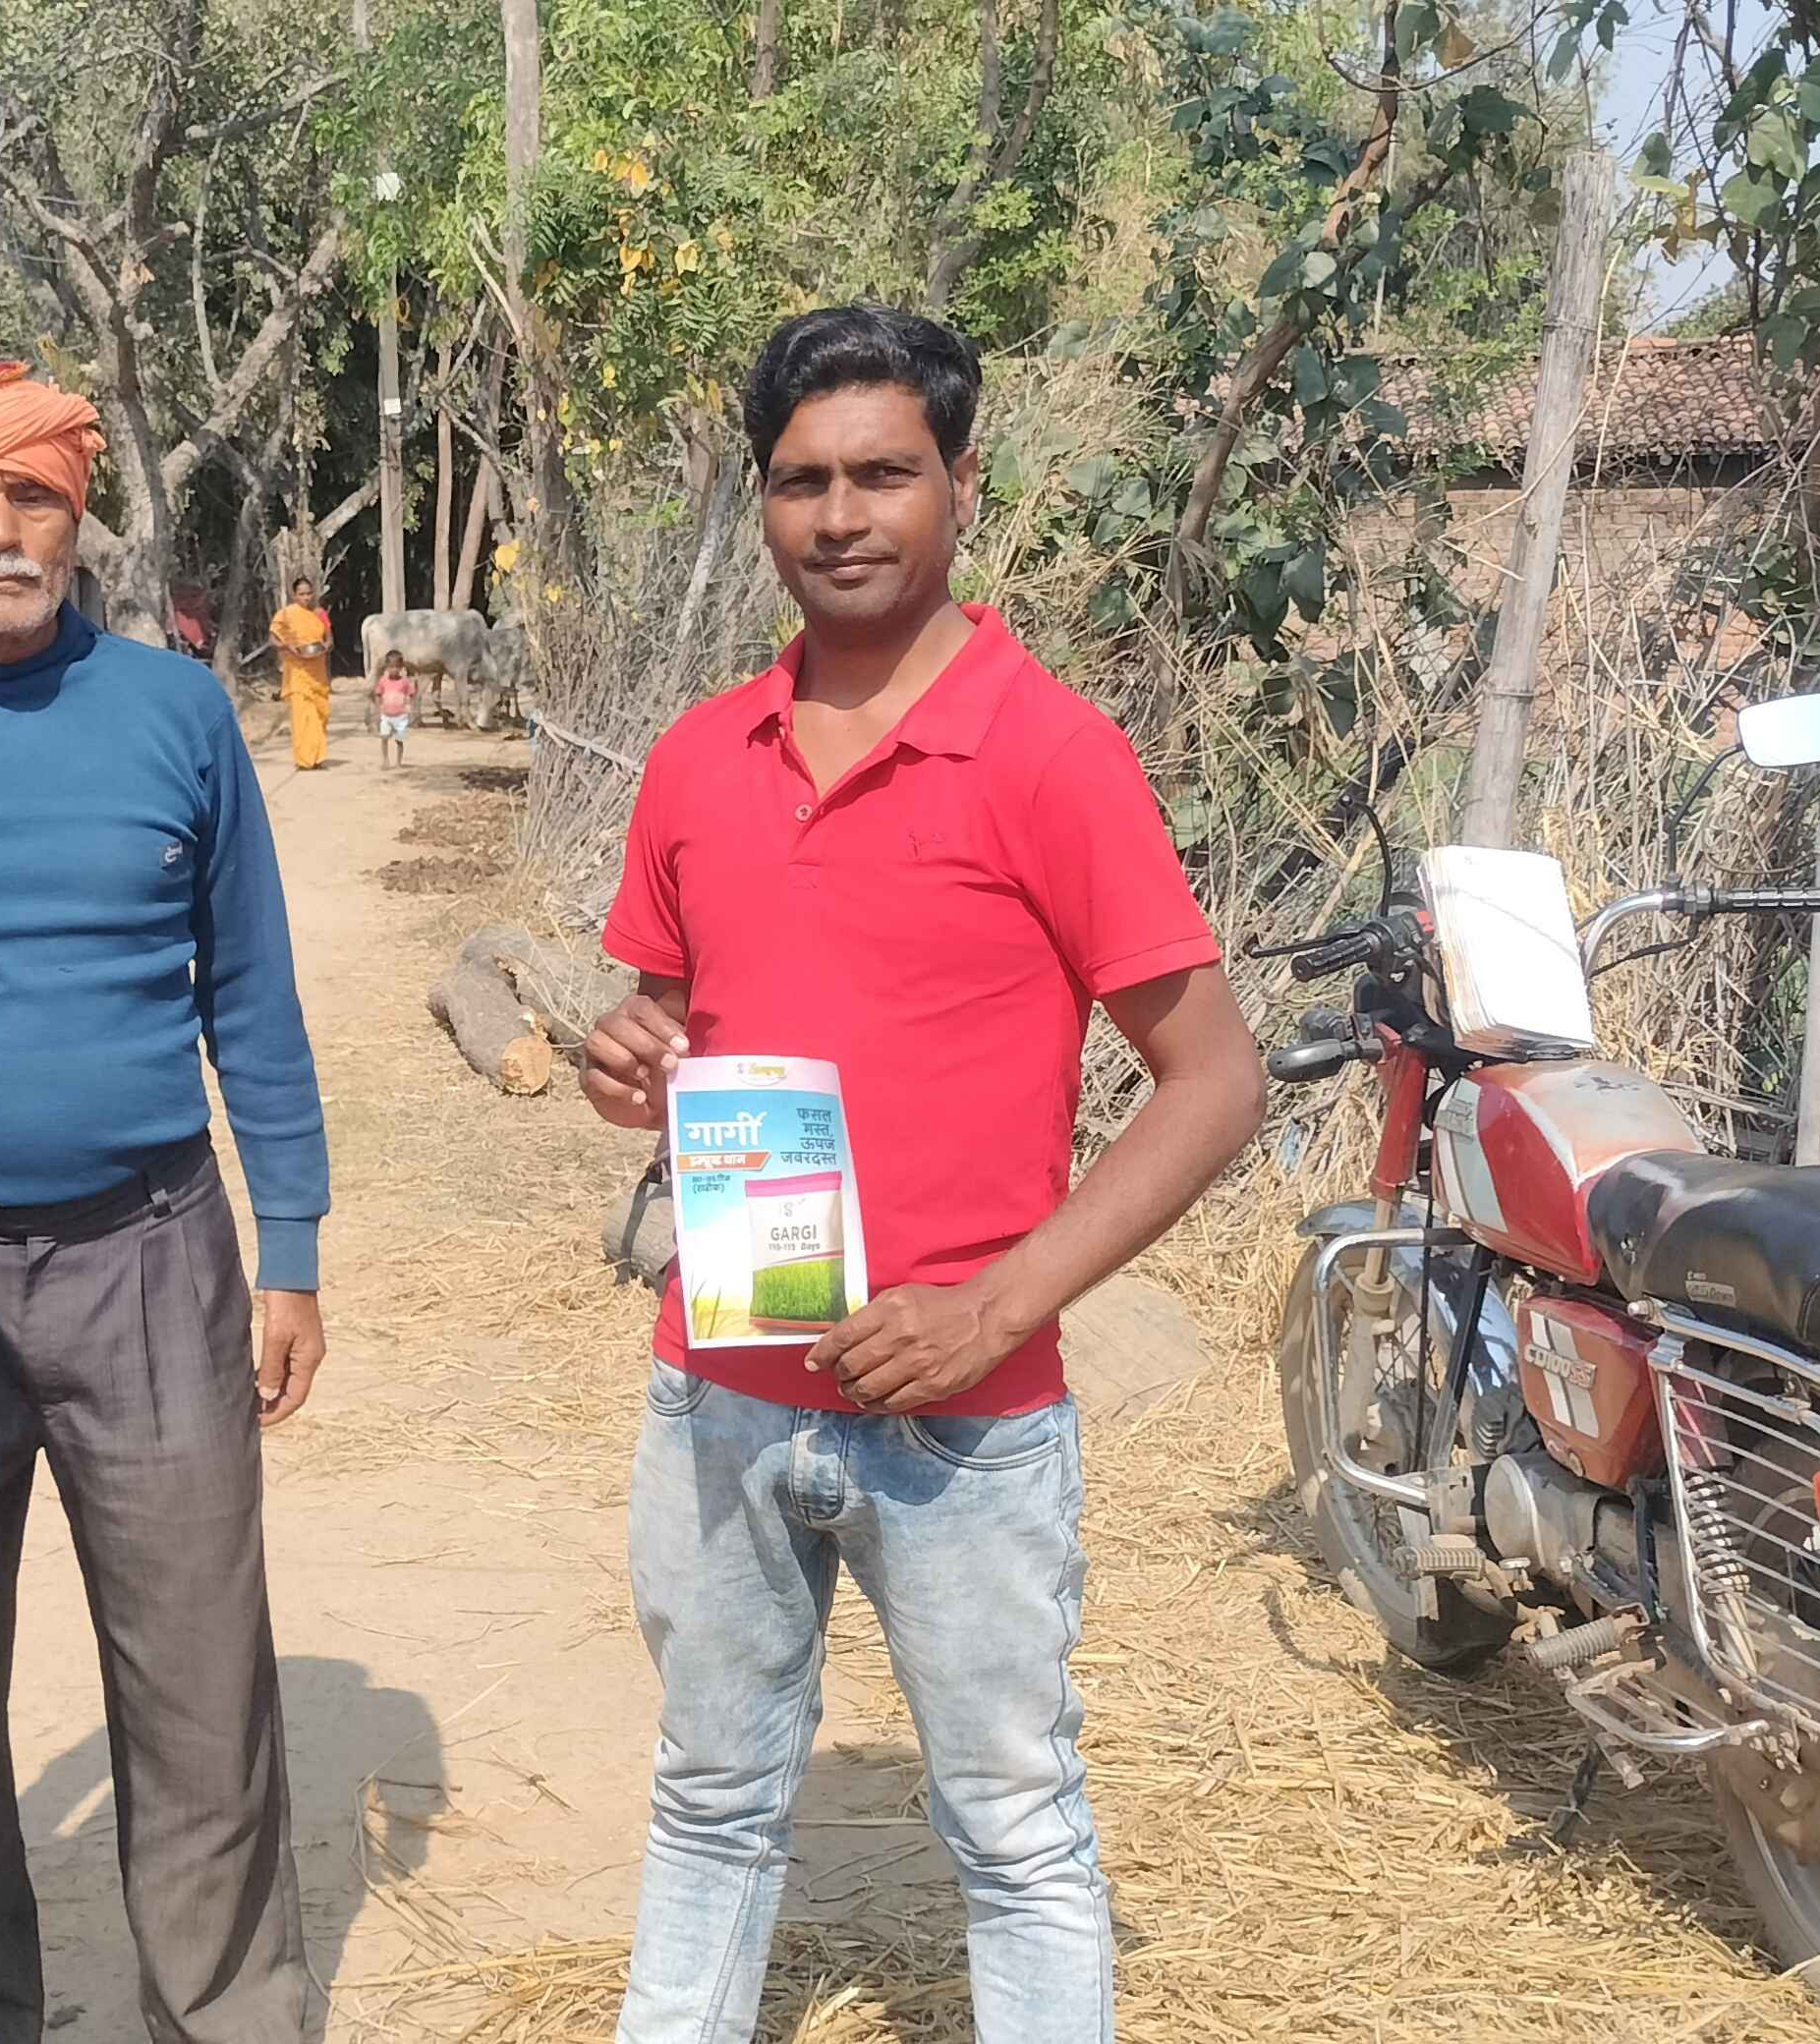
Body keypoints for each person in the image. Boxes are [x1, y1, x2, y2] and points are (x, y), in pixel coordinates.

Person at [573, 306, 1265, 2040]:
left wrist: (994, 1310)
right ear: (760, 499)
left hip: (967, 1414)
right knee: (711, 1798)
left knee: (1013, 1829)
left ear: (961, 484)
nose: (840, 515)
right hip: (719, 1383)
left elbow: (1213, 1083)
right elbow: (674, 1027)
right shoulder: (698, 758)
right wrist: (627, 1061)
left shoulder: (1051, 756)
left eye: (882, 473)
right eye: (800, 480)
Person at [0, 361, 332, 2044]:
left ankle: (226, 2013)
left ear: (73, 519)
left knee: (201, 1684)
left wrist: (291, 1244)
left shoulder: (174, 714)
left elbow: (248, 990)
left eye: (30, 495)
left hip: (151, 1259)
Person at [271, 575, 336, 770]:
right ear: (294, 595)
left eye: (308, 593)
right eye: (301, 594)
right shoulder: (286, 614)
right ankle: (304, 760)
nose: (306, 598)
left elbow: (329, 639)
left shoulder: (320, 614)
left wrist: (325, 646)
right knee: (302, 716)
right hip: (297, 673)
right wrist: (287, 647)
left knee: (320, 713)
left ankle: (318, 758)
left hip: (318, 672)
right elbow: (273, 638)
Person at [372, 654, 418, 770]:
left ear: (402, 667)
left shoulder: (405, 682)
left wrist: (411, 709)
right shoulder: (383, 681)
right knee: (384, 738)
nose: (394, 669)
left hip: (401, 716)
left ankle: (398, 762)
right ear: (386, 667)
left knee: (399, 740)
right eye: (391, 667)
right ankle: (385, 760)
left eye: (397, 667)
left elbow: (412, 694)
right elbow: (377, 694)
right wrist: (378, 710)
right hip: (386, 715)